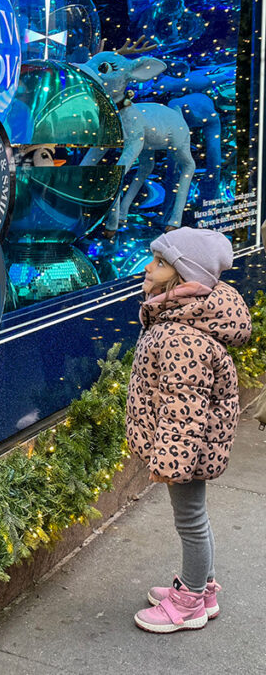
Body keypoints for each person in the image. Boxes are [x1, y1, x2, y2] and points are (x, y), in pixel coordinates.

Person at [127, 227, 251, 633]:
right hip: (187, 450)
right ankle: (204, 588)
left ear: (186, 280)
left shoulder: (183, 337)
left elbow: (185, 410)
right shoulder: (176, 319)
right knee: (194, 518)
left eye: (161, 263)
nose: (149, 267)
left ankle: (190, 603)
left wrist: (172, 463)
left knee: (191, 520)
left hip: (185, 452)